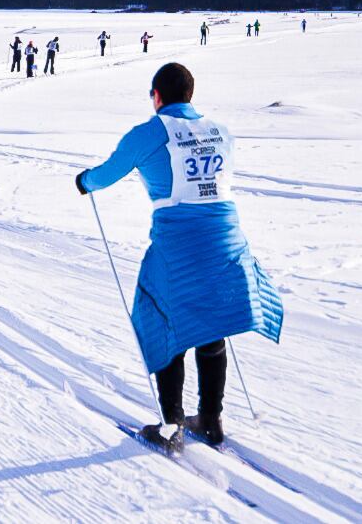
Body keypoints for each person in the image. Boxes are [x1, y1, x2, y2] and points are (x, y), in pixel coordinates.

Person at [73, 62, 283, 452]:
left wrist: (84, 181)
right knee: (210, 321)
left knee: (164, 320)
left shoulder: (148, 133)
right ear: (190, 94)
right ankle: (211, 419)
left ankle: (172, 426)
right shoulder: (220, 130)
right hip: (227, 240)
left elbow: (105, 175)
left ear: (157, 96)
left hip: (180, 244)